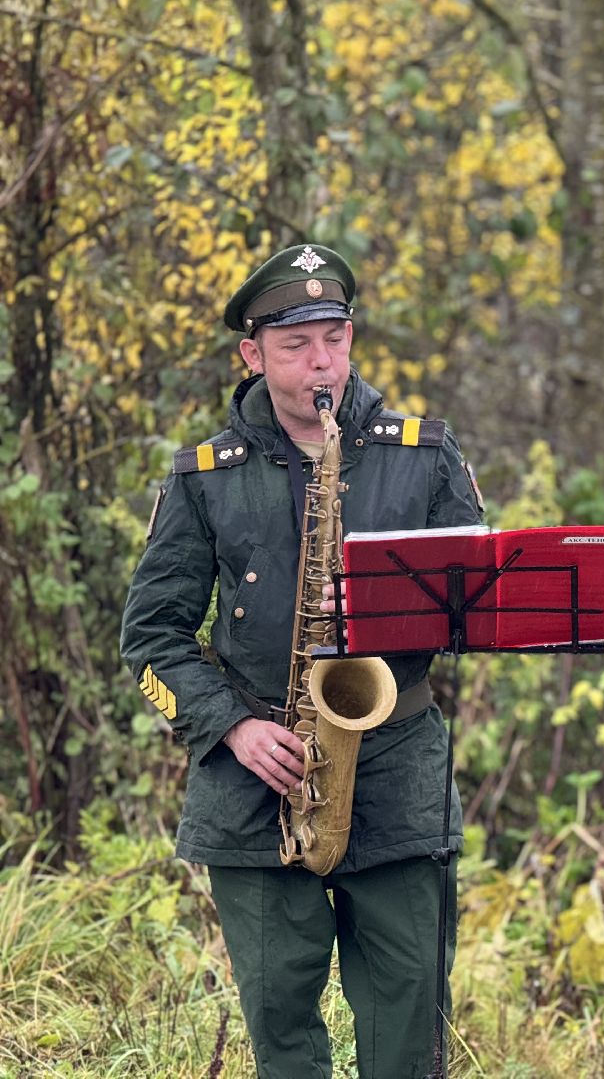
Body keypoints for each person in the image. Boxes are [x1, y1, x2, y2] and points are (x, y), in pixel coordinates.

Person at [121, 243, 485, 1078]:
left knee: (408, 1029)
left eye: (335, 337)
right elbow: (150, 643)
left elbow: (478, 608)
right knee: (282, 1034)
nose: (321, 362)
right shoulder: (205, 476)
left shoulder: (425, 454)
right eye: (295, 345)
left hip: (396, 774)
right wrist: (234, 729)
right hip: (255, 788)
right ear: (251, 354)